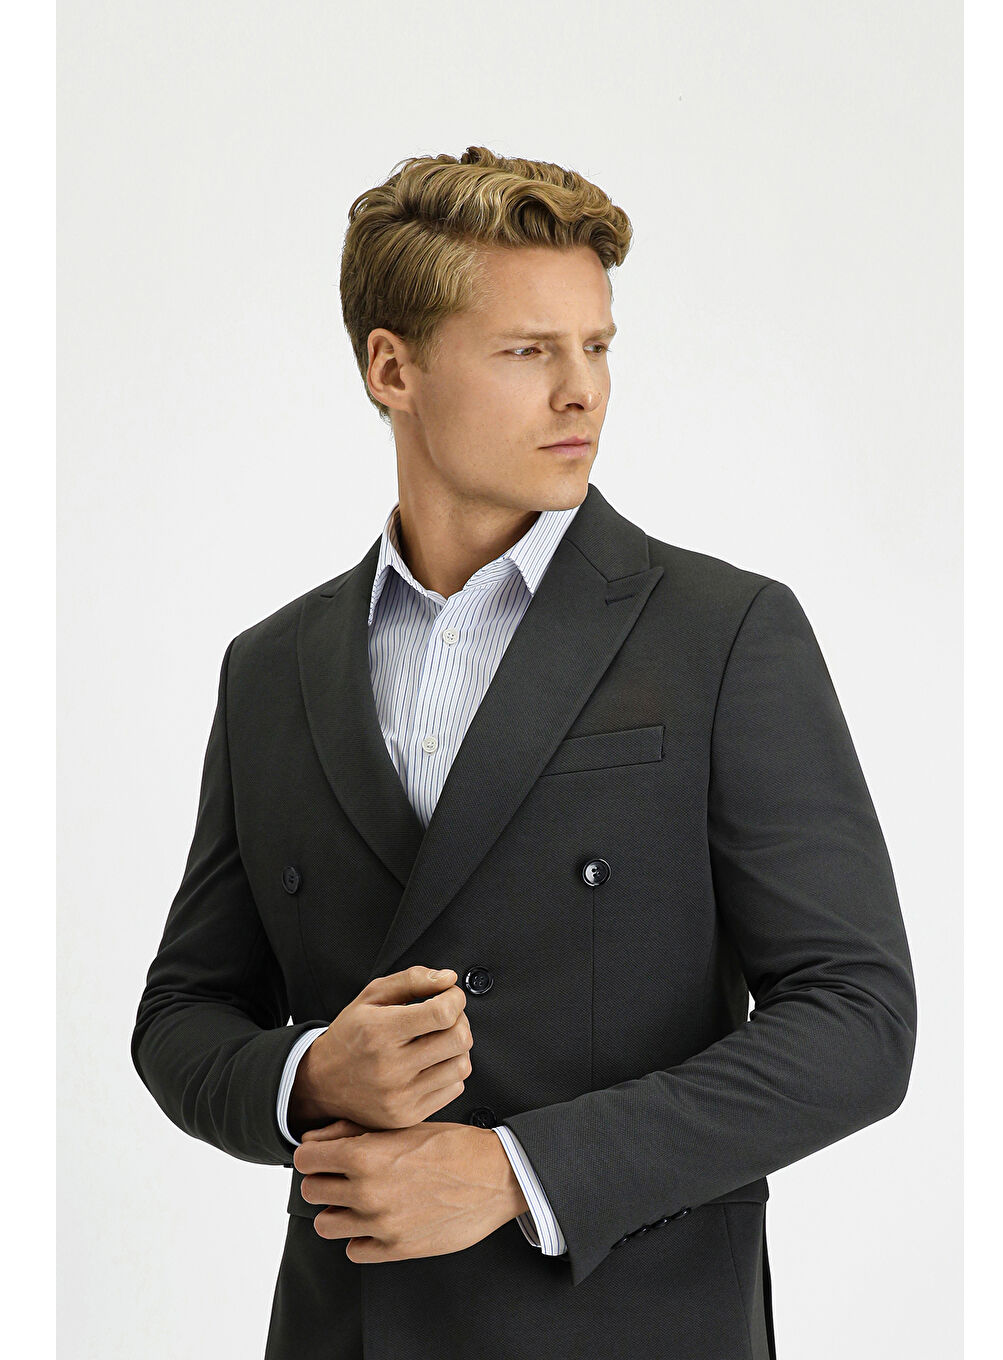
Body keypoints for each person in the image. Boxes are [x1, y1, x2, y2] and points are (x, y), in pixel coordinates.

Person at [131, 145, 916, 1360]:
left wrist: (519, 1170)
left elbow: (858, 1020)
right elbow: (182, 1014)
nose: (581, 393)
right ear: (393, 368)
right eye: (526, 351)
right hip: (350, 1330)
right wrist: (312, 1074)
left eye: (597, 346)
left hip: (638, 1329)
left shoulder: (724, 632)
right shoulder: (271, 668)